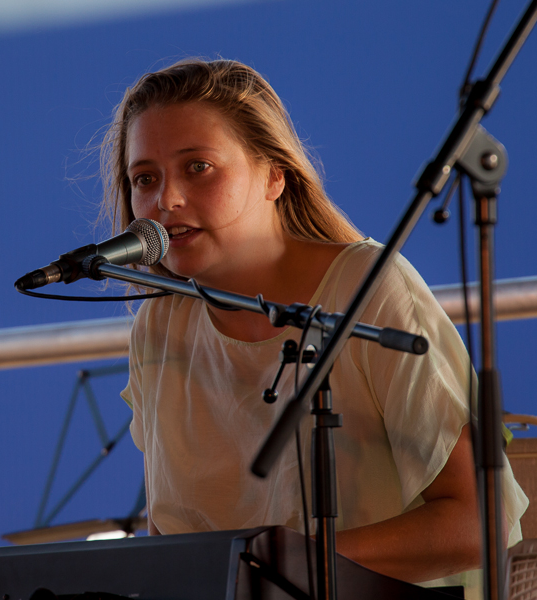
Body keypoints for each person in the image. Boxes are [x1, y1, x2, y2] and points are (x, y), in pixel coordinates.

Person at [99, 59, 527, 594]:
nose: (166, 200)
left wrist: (277, 571)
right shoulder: (160, 324)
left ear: (274, 175)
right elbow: (169, 544)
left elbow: (481, 521)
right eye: (144, 179)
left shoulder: (370, 288)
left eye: (198, 167)